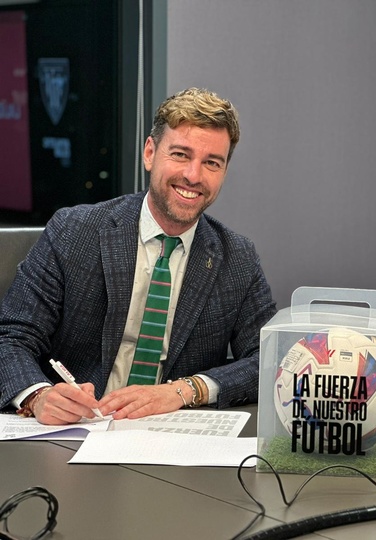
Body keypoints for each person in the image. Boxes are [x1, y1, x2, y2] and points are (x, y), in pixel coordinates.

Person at [0, 87, 277, 425]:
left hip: (170, 439)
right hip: (73, 431)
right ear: (150, 153)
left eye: (211, 163)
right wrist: (38, 395)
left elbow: (270, 359)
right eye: (180, 154)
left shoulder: (237, 258)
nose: (193, 175)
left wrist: (185, 390)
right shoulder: (74, 231)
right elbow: (11, 336)